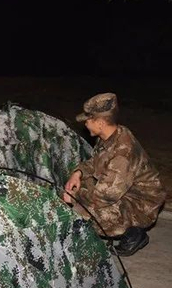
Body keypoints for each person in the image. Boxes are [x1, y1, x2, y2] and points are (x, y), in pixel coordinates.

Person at [63, 92, 165, 256]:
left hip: (141, 203)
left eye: (88, 121)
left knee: (91, 214)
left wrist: (74, 198)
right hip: (123, 191)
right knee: (80, 186)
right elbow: (95, 163)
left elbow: (104, 197)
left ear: (100, 123)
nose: (86, 124)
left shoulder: (122, 154)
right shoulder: (111, 135)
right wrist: (78, 173)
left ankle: (134, 233)